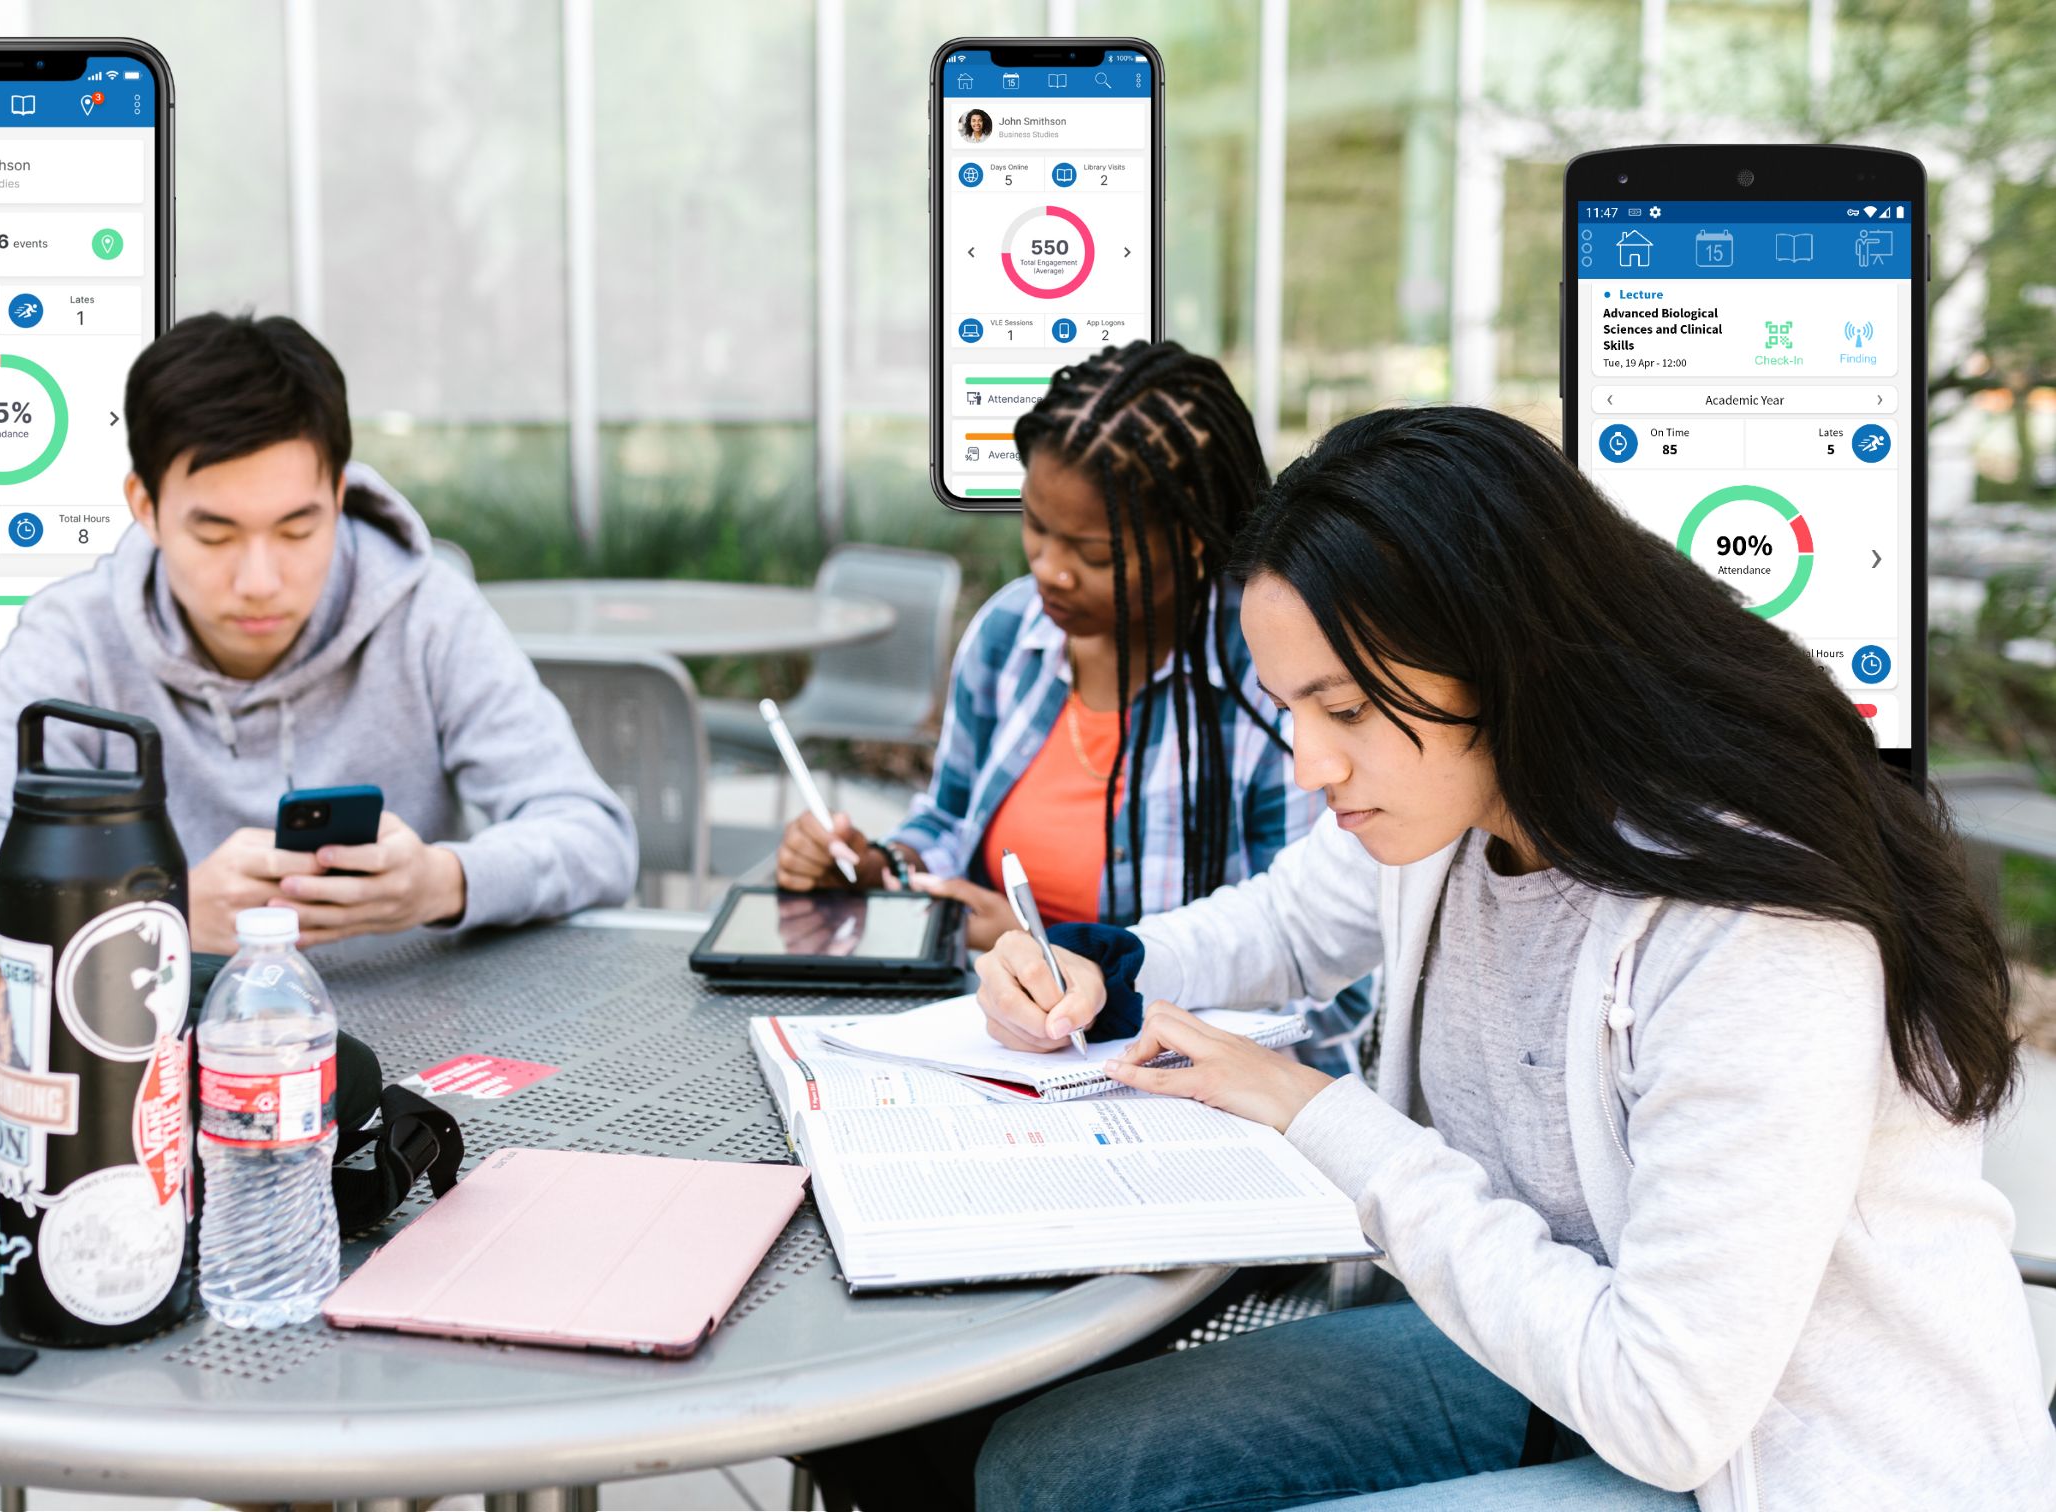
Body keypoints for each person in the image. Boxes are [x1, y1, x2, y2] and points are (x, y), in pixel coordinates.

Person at [969, 406, 2056, 1508]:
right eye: (1291, 708)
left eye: (1342, 708)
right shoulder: (1460, 803)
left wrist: (1321, 1116)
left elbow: (1667, 1411)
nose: (1308, 765)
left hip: (1779, 1464)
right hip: (1556, 1357)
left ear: (1500, 659)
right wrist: (1103, 963)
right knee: (1045, 1473)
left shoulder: (1749, 927)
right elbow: (1287, 924)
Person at [0, 313, 638, 954]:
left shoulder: (427, 613)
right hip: (154, 1047)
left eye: (297, 528)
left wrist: (443, 883)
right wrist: (161, 912)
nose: (259, 579)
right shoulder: (75, 638)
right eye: (216, 534)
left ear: (339, 494)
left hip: (414, 1047)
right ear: (146, 505)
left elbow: (596, 836)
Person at [776, 339, 1373, 1069]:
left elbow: (1326, 973)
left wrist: (1069, 951)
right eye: (1035, 526)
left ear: (1190, 541)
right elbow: (949, 819)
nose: (1049, 570)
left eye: (1094, 554)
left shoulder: (1269, 679)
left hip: (1199, 1092)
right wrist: (882, 868)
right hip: (1004, 1057)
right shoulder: (1009, 634)